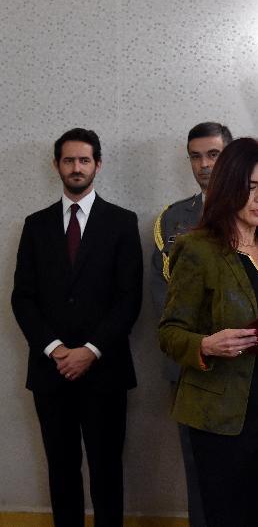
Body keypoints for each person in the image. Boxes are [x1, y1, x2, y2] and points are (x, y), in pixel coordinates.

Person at [159, 138, 258, 526]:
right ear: (229, 184)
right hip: (223, 418)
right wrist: (205, 344)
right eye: (251, 186)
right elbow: (169, 332)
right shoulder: (197, 249)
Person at [11, 128, 143, 527]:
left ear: (97, 165)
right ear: (56, 166)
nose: (76, 167)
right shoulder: (34, 226)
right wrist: (54, 348)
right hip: (50, 371)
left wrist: (90, 350)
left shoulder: (122, 222)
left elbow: (129, 300)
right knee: (61, 469)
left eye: (84, 160)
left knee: (107, 471)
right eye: (68, 160)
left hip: (104, 370)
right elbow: (22, 298)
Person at [150, 121, 231, 527]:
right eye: (196, 156)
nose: (204, 165)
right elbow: (162, 298)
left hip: (248, 361)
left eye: (214, 155)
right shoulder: (171, 220)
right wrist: (198, 344)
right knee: (198, 472)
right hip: (192, 364)